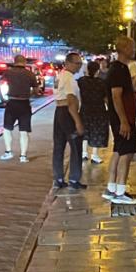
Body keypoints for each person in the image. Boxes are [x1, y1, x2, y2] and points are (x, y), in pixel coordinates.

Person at [105, 37, 136, 205]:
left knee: (118, 152)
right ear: (125, 48)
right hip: (123, 118)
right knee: (127, 154)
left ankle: (111, 188)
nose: (134, 50)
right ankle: (120, 191)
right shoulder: (119, 70)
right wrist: (124, 121)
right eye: (132, 47)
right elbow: (116, 96)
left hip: (119, 117)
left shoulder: (118, 69)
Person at [52, 52, 86, 190]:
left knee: (59, 145)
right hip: (68, 113)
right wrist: (78, 122)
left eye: (80, 63)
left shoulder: (60, 76)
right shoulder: (70, 78)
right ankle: (74, 178)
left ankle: (58, 178)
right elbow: (72, 101)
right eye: (77, 63)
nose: (79, 66)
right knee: (76, 145)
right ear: (68, 63)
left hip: (58, 112)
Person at [0, 55, 41, 163]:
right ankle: (23, 156)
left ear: (14, 62)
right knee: (24, 131)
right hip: (24, 103)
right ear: (24, 62)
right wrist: (30, 93)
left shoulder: (8, 72)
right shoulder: (30, 74)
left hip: (11, 102)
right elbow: (36, 91)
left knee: (7, 129)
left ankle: (8, 152)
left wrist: (2, 98)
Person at [78, 60, 109, 164]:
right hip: (98, 110)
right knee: (97, 131)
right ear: (97, 71)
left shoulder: (81, 81)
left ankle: (83, 153)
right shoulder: (101, 83)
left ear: (87, 70)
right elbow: (106, 99)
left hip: (85, 109)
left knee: (85, 130)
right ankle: (94, 155)